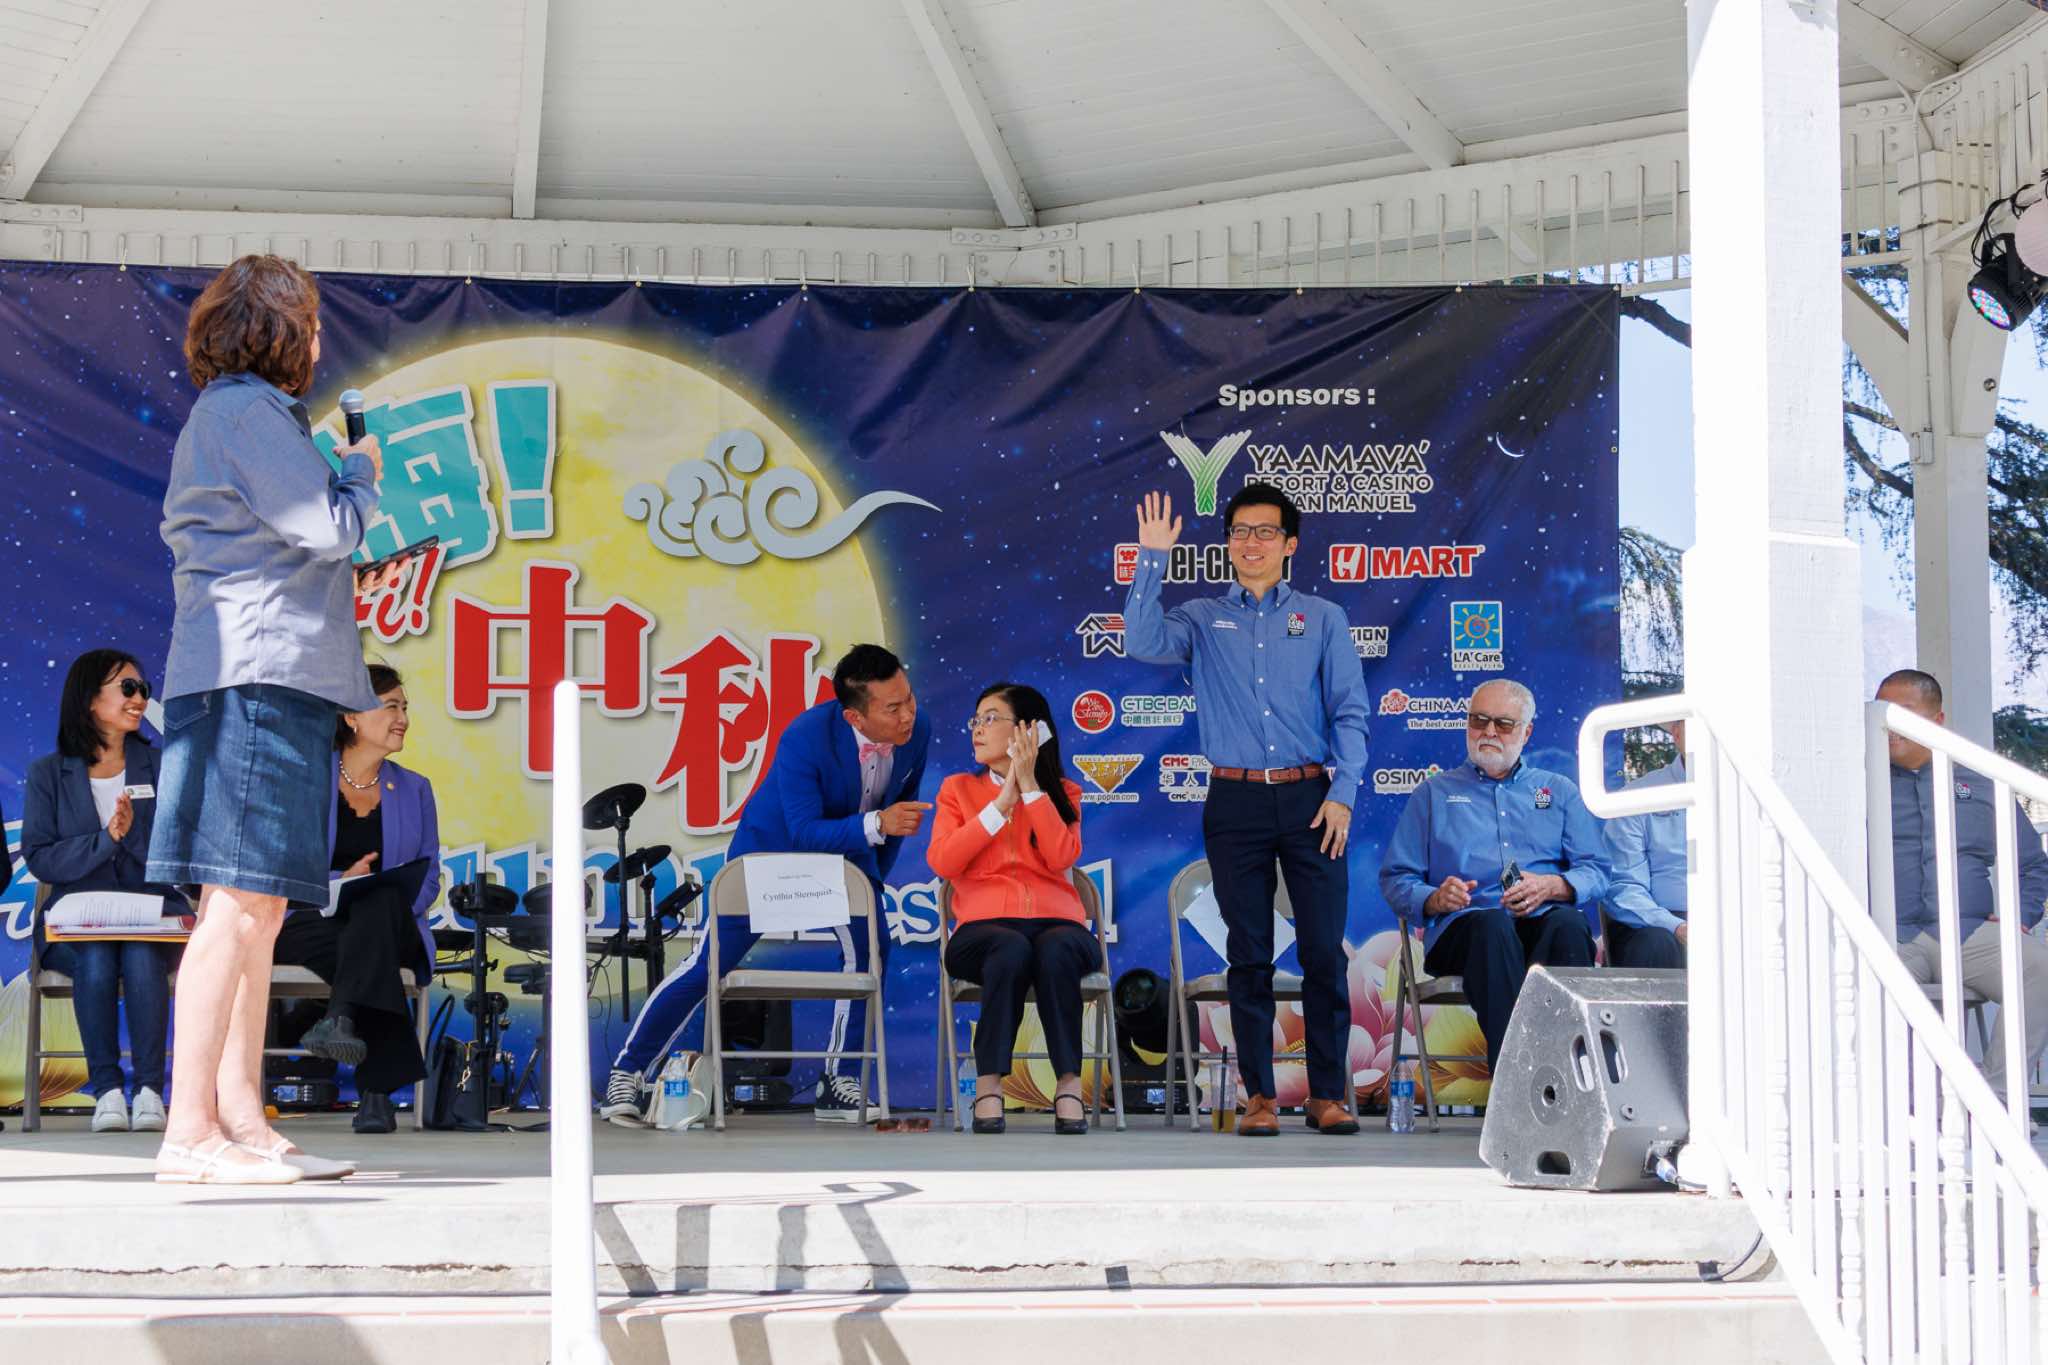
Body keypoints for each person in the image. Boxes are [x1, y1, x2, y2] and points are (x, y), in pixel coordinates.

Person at [145, 255, 404, 1185]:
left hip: (262, 678)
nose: (320, 341)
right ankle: (189, 1129)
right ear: (279, 330)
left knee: (258, 907)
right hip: (254, 679)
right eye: (313, 325)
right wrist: (361, 474)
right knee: (236, 906)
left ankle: (242, 1118)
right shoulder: (249, 413)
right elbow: (331, 526)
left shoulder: (237, 416)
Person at [1123, 485, 1370, 1137]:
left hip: (1313, 798)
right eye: (1239, 531)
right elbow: (1141, 640)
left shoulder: (1323, 617)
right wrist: (1152, 558)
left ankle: (1326, 1094)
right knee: (1249, 952)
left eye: (1265, 531)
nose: (1250, 542)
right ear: (1227, 542)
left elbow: (1350, 711)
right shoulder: (1203, 617)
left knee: (1324, 951)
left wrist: (1343, 793)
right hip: (1234, 800)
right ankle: (1259, 1096)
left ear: (1290, 544)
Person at [600, 643, 933, 1124]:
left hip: (848, 858)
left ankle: (839, 1082)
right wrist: (878, 824)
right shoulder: (805, 736)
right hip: (771, 855)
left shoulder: (918, 731)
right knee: (708, 965)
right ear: (854, 716)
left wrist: (873, 877)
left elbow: (902, 815)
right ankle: (628, 1072)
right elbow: (804, 830)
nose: (908, 715)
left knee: (871, 951)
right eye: (893, 708)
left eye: (910, 699)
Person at [1378, 679, 1609, 1071]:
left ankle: (1568, 1071)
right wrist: (1434, 898)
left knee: (1569, 926)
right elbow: (1396, 878)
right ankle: (1516, 1076)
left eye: (1502, 724)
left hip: (1540, 922)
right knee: (1491, 927)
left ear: (1527, 732)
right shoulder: (1433, 794)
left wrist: (1554, 886)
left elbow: (1598, 870)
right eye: (1478, 720)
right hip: (1466, 929)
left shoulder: (1558, 791)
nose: (1488, 732)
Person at [272, 663, 442, 1133]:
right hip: (312, 920)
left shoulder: (415, 789)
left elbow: (429, 876)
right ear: (350, 715)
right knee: (370, 944)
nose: (402, 718)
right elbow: (283, 865)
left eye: (404, 708)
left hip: (395, 924)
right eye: (391, 707)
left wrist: (377, 896)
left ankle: (341, 1016)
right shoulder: (307, 779)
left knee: (379, 903)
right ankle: (375, 1093)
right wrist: (339, 882)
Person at [20, 649, 182, 1133]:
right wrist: (105, 840)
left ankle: (150, 1092)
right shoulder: (49, 773)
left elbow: (179, 850)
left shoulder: (162, 765)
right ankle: (108, 1091)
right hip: (75, 925)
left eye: (143, 689)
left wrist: (128, 836)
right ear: (91, 699)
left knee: (140, 953)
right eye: (127, 688)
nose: (139, 699)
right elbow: (41, 857)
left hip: (151, 918)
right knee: (95, 954)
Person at [927, 683, 1095, 1135]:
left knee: (1056, 949)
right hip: (983, 930)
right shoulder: (958, 789)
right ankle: (988, 1085)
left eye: (990, 718)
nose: (977, 729)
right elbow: (943, 861)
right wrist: (1001, 804)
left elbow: (1061, 856)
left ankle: (1068, 1086)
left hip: (1058, 925)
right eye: (976, 720)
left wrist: (1030, 787)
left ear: (1028, 731)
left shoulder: (1064, 792)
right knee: (1010, 948)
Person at [1879, 668, 2048, 1102]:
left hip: (1968, 932)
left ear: (1936, 721)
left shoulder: (1981, 784)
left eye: (1903, 713)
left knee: (2038, 967)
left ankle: (1995, 1102)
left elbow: (2033, 865)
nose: (1889, 725)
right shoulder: (1861, 783)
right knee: (1871, 990)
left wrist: (2020, 916)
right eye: (1883, 712)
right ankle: (1911, 1107)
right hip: (1890, 934)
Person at [1602, 719, 1689, 968]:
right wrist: (1677, 926)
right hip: (1659, 922)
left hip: (1733, 916)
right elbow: (1624, 886)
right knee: (1657, 943)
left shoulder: (1746, 796)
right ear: (1677, 733)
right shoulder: (1637, 797)